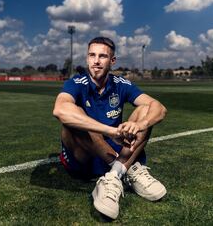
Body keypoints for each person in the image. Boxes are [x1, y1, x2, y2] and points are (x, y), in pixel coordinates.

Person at [53, 36, 167, 219]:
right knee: (76, 114)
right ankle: (124, 169)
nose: (96, 61)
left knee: (146, 109)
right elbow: (60, 110)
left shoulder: (120, 84)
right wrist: (111, 131)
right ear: (87, 58)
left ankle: (114, 176)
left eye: (102, 56)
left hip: (115, 153)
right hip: (85, 158)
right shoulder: (76, 83)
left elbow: (159, 108)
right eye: (92, 55)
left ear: (112, 61)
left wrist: (140, 124)